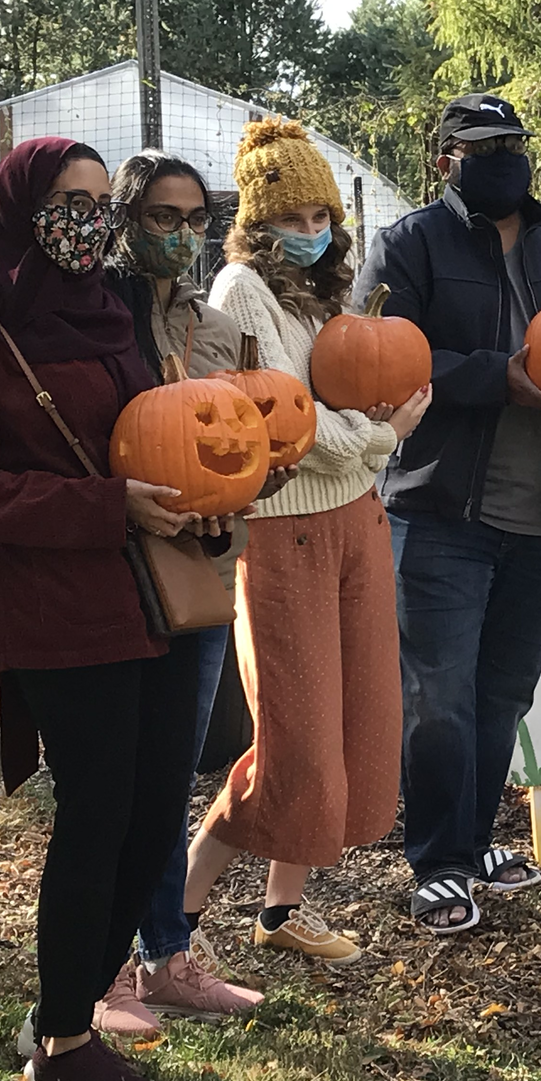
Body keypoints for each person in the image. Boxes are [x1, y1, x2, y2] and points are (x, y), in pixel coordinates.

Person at [0, 137, 222, 1081]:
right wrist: (110, 508)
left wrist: (199, 495)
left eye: (101, 202)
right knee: (97, 820)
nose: (88, 219)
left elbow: (159, 434)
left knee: (150, 823)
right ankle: (60, 1044)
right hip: (59, 607)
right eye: (68, 199)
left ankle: (72, 1008)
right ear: (20, 205)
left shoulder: (112, 316)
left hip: (151, 599)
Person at [355, 93, 541, 937]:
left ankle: (474, 841)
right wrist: (499, 376)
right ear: (444, 157)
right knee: (439, 696)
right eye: (479, 147)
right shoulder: (409, 245)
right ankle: (439, 864)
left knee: (501, 695)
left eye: (511, 143)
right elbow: (381, 361)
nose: (501, 157)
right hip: (442, 507)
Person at [182, 118, 428, 965]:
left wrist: (369, 437)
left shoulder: (327, 293)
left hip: (358, 516)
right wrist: (380, 438)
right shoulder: (239, 290)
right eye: (293, 217)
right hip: (283, 528)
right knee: (298, 737)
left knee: (362, 720)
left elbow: (356, 388)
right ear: (257, 221)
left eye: (321, 216)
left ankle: (281, 912)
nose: (312, 231)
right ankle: (171, 917)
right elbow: (281, 410)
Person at [93, 149, 263, 1035]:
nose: (183, 234)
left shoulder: (213, 324)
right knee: (112, 784)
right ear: (126, 221)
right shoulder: (96, 317)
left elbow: (240, 438)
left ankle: (167, 955)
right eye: (163, 217)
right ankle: (102, 967)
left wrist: (243, 487)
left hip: (198, 570)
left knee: (167, 779)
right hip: (115, 568)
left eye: (195, 217)